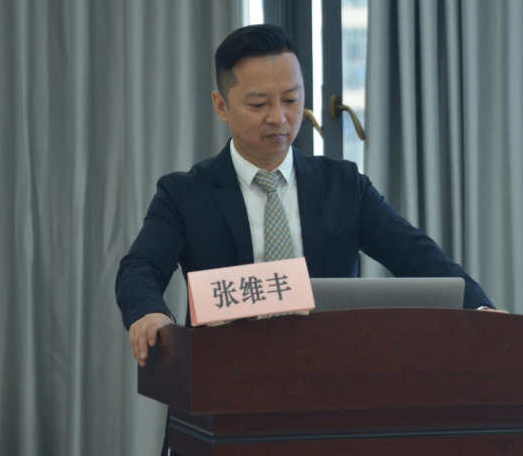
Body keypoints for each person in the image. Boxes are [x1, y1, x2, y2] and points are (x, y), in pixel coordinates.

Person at [115, 24, 497, 369]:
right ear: (221, 106)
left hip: (327, 380)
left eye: (291, 99)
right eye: (258, 104)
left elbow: (416, 255)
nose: (279, 118)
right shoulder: (184, 194)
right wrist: (150, 314)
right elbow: (141, 267)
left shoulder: (343, 185)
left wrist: (479, 310)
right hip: (222, 380)